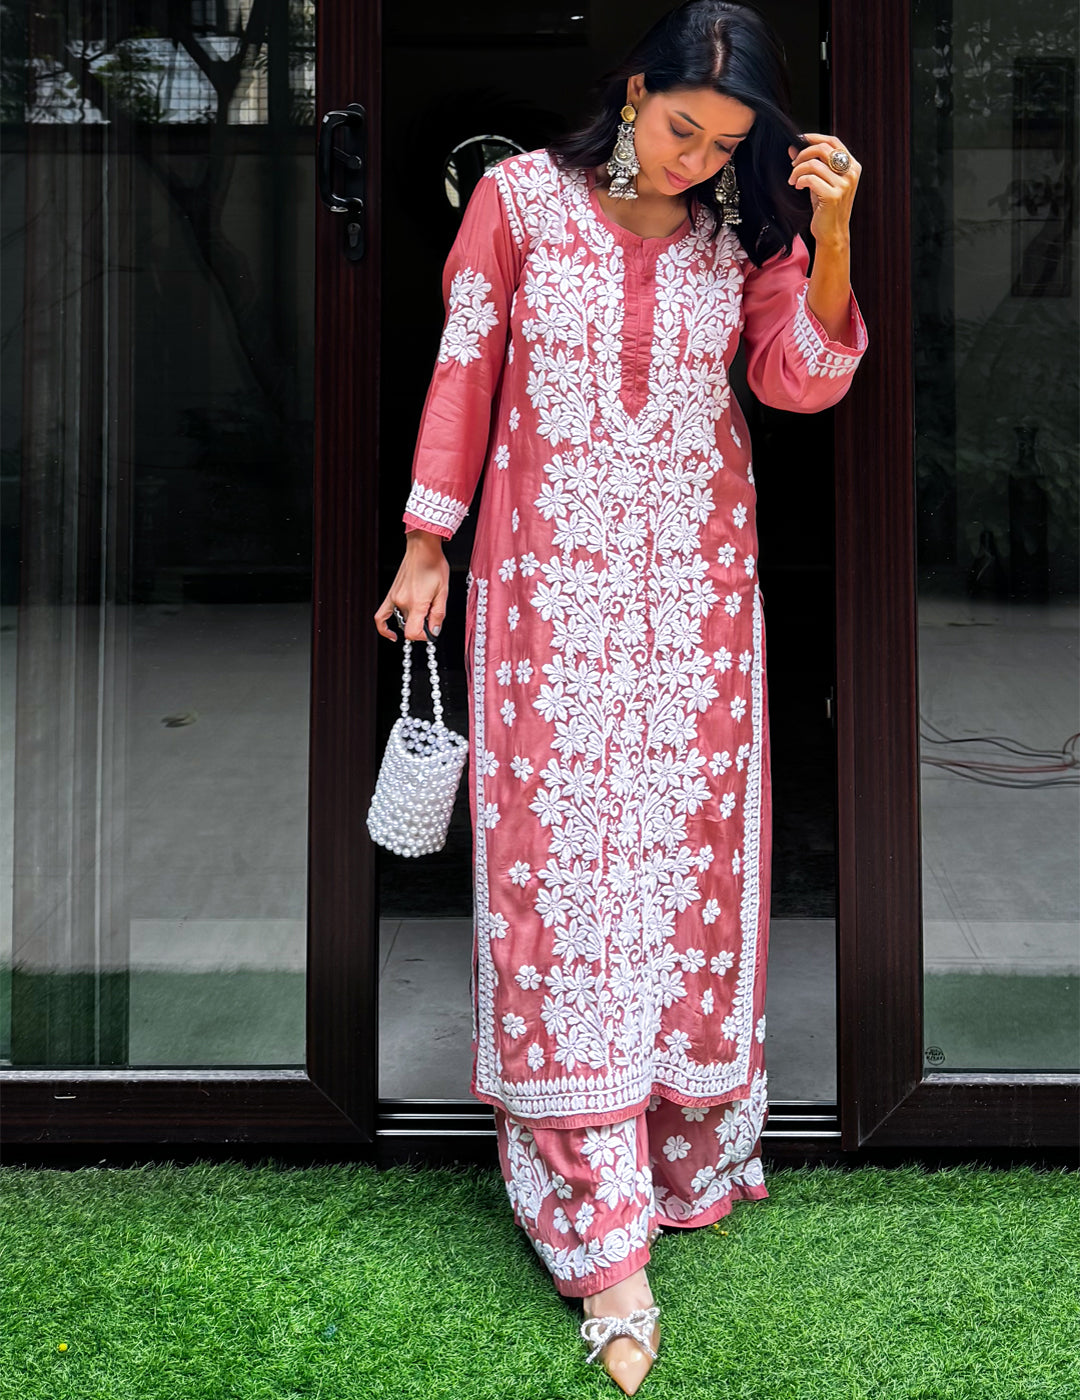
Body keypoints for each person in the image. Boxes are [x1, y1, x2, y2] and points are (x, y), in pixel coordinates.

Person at [373, 1, 866, 1391]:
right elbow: (464, 369)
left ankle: (678, 1146)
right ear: (635, 92)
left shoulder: (739, 237)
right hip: (546, 604)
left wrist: (825, 237)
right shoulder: (520, 202)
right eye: (680, 129)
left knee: (684, 874)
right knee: (568, 881)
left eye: (726, 146)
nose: (697, 162)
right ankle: (601, 1235)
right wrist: (427, 542)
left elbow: (802, 381)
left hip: (699, 607)